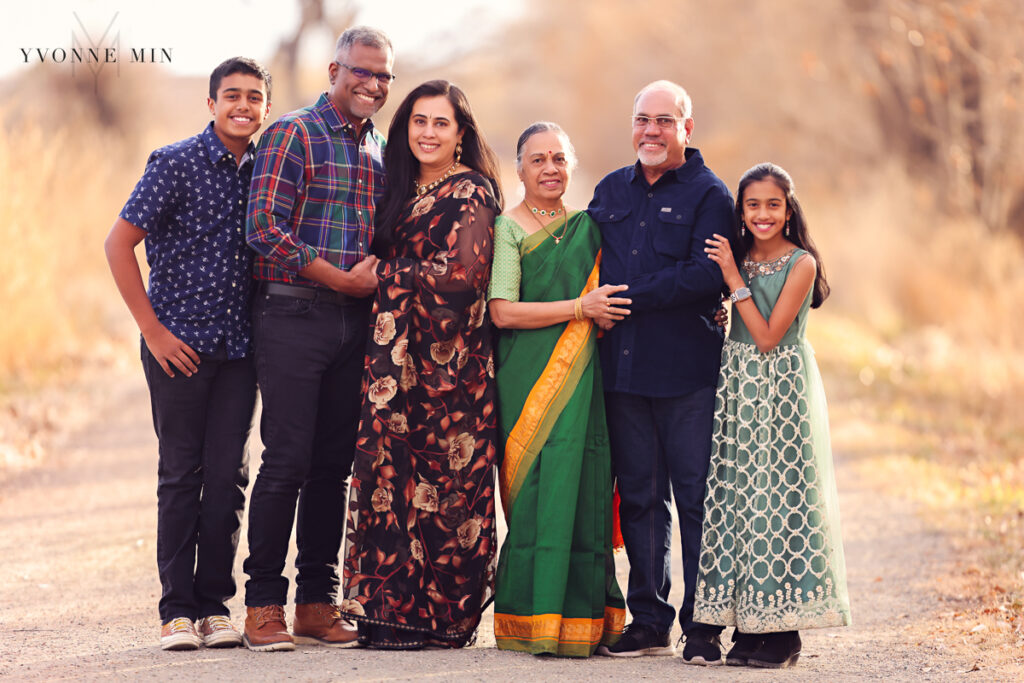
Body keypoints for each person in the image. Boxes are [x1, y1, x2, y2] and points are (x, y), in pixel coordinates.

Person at [104, 57, 272, 651]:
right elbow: (119, 244)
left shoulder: (267, 172)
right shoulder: (173, 164)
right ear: (211, 103)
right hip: (176, 347)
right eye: (232, 96)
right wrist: (153, 333)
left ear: (266, 109)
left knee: (229, 478)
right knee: (181, 475)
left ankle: (214, 607)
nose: (243, 107)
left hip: (239, 351)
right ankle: (176, 610)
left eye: (255, 98)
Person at [242, 26, 392, 652]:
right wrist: (339, 279)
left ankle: (314, 603)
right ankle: (262, 606)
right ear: (335, 69)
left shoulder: (380, 148)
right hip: (293, 316)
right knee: (287, 462)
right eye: (363, 71)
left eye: (384, 76)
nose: (373, 84)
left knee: (333, 468)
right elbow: (263, 228)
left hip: (353, 325)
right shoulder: (295, 133)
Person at [338, 80, 501, 650]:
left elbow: (463, 280)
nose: (428, 133)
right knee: (390, 478)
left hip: (451, 368)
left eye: (441, 124)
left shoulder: (472, 192)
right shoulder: (396, 186)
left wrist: (383, 274)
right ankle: (388, 615)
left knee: (447, 487)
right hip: (392, 362)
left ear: (461, 135)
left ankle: (443, 619)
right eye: (419, 122)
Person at [587, 80, 732, 664]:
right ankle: (650, 620)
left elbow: (705, 276)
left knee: (696, 498)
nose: (651, 130)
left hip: (686, 373)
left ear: (686, 129)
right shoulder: (609, 189)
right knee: (641, 498)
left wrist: (626, 296)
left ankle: (704, 625)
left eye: (664, 121)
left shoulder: (710, 194)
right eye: (643, 119)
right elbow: (582, 261)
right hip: (621, 372)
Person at [696, 162, 851, 668]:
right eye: (752, 205)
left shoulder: (800, 262)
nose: (762, 214)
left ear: (788, 210)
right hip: (738, 385)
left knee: (781, 498)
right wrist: (726, 303)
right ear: (740, 211)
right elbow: (741, 322)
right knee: (740, 499)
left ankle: (784, 634)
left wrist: (732, 281)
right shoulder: (740, 256)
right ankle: (749, 625)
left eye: (773, 204)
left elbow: (767, 337)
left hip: (781, 387)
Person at [486, 122, 630, 657]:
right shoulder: (509, 228)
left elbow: (613, 296)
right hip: (527, 379)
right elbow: (501, 312)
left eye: (559, 158)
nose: (550, 169)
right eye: (537, 160)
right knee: (538, 493)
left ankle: (587, 622)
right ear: (519, 169)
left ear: (570, 165)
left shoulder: (590, 228)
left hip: (585, 383)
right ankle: (530, 620)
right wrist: (579, 310)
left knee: (587, 485)